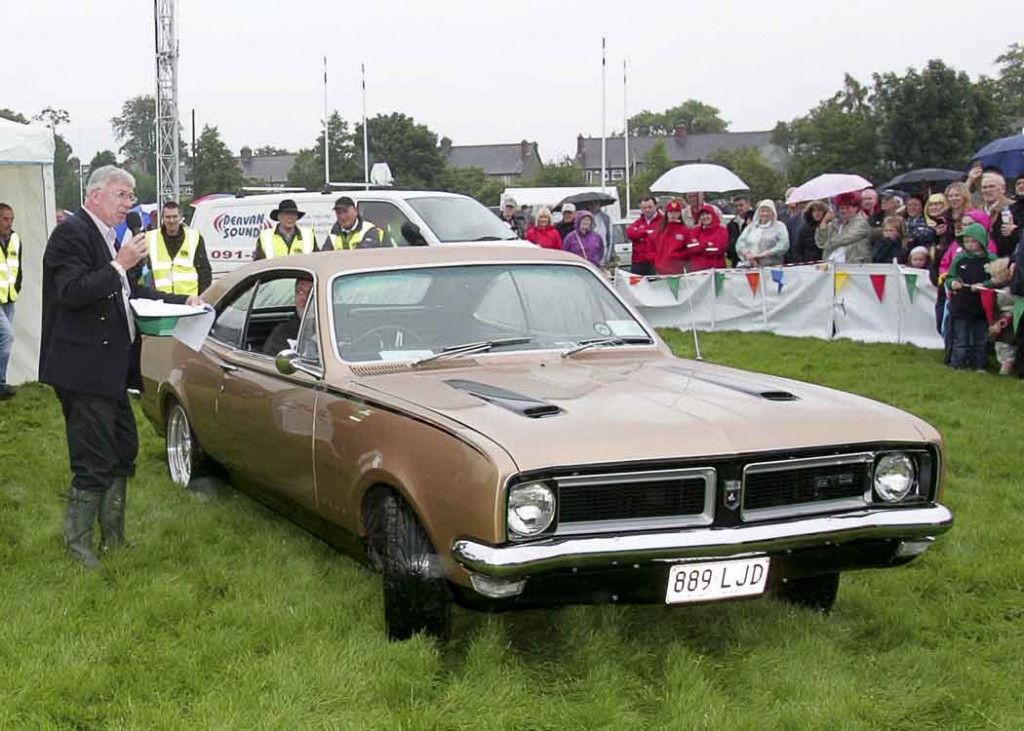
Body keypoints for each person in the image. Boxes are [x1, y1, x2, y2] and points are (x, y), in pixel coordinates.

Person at [40, 166, 204, 569]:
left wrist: (179, 301)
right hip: (83, 368)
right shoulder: (71, 234)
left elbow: (130, 292)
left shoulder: (111, 237)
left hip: (112, 368)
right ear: (94, 195)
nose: (128, 204)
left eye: (131, 196)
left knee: (123, 450)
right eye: (121, 195)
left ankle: (113, 537)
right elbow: (73, 292)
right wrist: (119, 264)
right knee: (93, 457)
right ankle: (78, 547)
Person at [945, 222, 996, 370]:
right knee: (960, 338)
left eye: (973, 241)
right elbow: (949, 277)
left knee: (981, 338)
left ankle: (979, 365)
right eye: (966, 241)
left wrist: (984, 285)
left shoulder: (991, 259)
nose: (970, 245)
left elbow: (998, 280)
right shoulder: (959, 259)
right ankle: (957, 364)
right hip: (961, 305)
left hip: (982, 306)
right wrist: (953, 283)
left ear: (981, 241)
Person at [142, 201, 212, 296]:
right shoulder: (150, 238)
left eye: (175, 216)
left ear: (181, 217)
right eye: (168, 217)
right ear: (162, 218)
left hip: (189, 300)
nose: (171, 220)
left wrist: (202, 297)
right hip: (162, 300)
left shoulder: (194, 237)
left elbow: (205, 271)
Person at [252, 199, 318, 260]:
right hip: (275, 273)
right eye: (286, 214)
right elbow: (258, 264)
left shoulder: (308, 235)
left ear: (297, 217)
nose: (290, 218)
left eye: (293, 214)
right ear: (279, 216)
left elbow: (317, 259)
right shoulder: (266, 236)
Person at [816, 192, 873, 263]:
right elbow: (820, 242)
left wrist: (827, 243)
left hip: (854, 266)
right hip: (831, 265)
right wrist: (824, 222)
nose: (844, 211)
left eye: (847, 208)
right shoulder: (836, 223)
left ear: (856, 208)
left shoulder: (861, 223)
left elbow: (845, 239)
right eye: (841, 208)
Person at [0, 203, 20, 400]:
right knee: (7, 337)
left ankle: (2, 383)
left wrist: (17, 287)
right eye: (5, 219)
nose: (9, 223)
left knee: (3, 341)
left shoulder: (14, 239)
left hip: (8, 298)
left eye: (11, 219)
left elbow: (16, 268)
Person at [263, 279, 313, 356]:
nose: (305, 298)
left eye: (312, 293)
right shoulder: (282, 335)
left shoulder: (336, 328)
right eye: (300, 292)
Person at [979, 171, 1022, 257]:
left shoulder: (1015, 209)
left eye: (992, 186)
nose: (987, 190)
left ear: (1003, 189)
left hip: (1006, 260)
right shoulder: (977, 211)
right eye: (984, 187)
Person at [736, 199, 789, 267]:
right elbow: (740, 242)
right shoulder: (751, 227)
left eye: (768, 211)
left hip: (772, 266)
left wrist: (764, 254)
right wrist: (747, 254)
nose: (765, 213)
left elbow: (783, 245)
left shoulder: (780, 226)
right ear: (758, 212)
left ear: (773, 212)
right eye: (762, 211)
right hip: (750, 265)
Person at [323, 196, 388, 250]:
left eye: (345, 211)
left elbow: (363, 255)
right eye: (338, 213)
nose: (342, 217)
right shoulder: (333, 234)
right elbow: (325, 257)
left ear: (356, 211)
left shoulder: (369, 230)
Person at [682, 204, 728, 271]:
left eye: (708, 214)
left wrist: (699, 246)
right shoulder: (695, 231)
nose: (705, 217)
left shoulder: (722, 231)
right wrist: (706, 245)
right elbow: (689, 248)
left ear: (713, 214)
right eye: (702, 215)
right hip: (697, 271)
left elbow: (718, 250)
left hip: (716, 271)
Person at [626, 196, 661, 275]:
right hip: (638, 263)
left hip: (656, 263)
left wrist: (640, 236)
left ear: (656, 206)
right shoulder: (638, 222)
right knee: (637, 287)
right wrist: (646, 233)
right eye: (644, 208)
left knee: (656, 286)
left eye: (649, 207)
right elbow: (630, 233)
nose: (647, 210)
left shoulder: (663, 222)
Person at [727, 195, 753, 264]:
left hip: (752, 259)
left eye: (741, 205)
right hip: (736, 260)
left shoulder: (755, 220)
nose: (738, 208)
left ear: (748, 205)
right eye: (736, 206)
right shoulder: (731, 223)